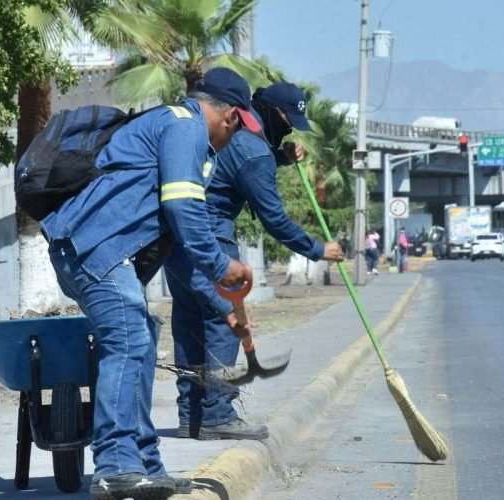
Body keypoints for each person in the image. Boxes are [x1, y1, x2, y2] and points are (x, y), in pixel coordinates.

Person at [39, 67, 259, 500]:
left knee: (139, 341)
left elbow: (180, 253)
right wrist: (222, 264)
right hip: (96, 248)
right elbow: (183, 210)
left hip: (96, 250)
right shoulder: (184, 127)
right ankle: (116, 466)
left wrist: (225, 308)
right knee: (127, 341)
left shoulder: (173, 129)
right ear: (231, 116)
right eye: (238, 128)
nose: (233, 137)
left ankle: (145, 467)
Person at [164, 82, 344, 441]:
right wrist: (318, 249)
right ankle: (216, 415)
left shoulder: (230, 133)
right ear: (275, 114)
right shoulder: (254, 152)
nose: (290, 130)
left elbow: (231, 165)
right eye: (289, 122)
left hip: (176, 243)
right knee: (221, 323)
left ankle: (191, 415)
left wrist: (279, 157)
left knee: (188, 322)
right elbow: (274, 219)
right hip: (212, 242)